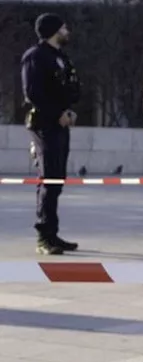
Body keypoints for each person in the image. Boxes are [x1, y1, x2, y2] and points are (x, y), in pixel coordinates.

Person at [20, 13, 81, 255]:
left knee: (57, 179)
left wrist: (69, 111)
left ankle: (53, 233)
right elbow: (33, 92)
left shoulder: (61, 58)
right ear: (54, 30)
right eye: (64, 28)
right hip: (44, 124)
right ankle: (44, 237)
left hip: (60, 123)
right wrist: (57, 113)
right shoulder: (35, 56)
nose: (68, 31)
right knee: (49, 178)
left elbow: (69, 88)